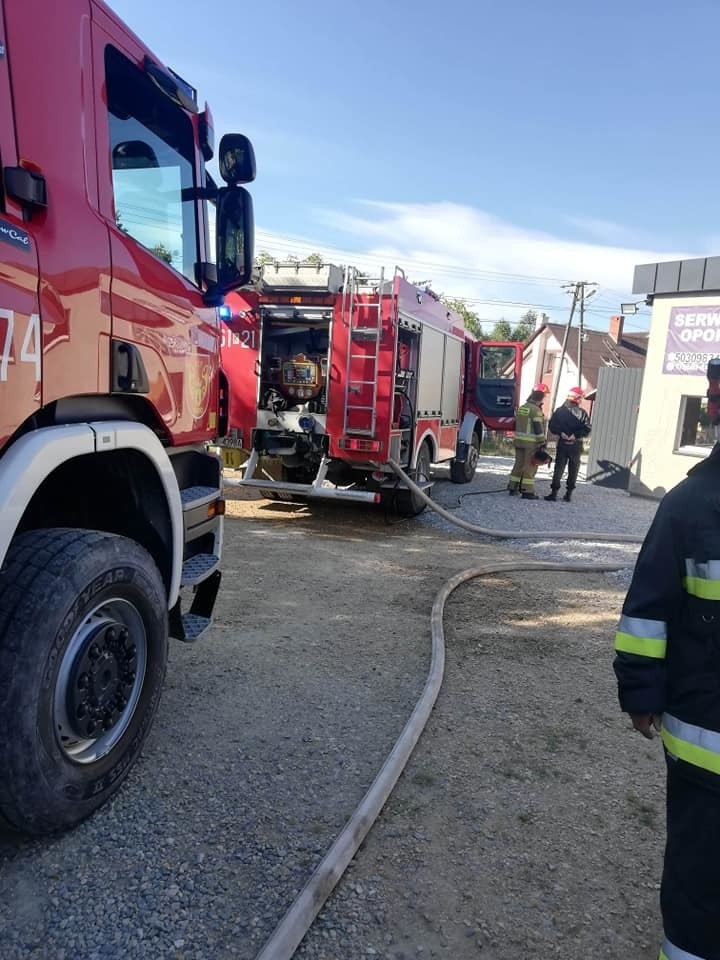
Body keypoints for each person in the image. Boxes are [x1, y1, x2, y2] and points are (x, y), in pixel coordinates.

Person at [613, 360, 720, 960]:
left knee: (700, 883)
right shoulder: (686, 505)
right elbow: (647, 616)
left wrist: (641, 697)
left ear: (711, 411)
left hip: (705, 751)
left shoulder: (687, 505)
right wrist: (640, 690)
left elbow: (646, 611)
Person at [544, 386, 591, 502]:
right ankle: (568, 494)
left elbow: (552, 426)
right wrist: (575, 435)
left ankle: (553, 493)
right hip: (576, 445)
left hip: (563, 443)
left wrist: (561, 433)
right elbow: (587, 429)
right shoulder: (582, 413)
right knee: (573, 469)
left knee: (559, 468)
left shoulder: (559, 411)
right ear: (578, 398)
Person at [507, 382, 549, 499]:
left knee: (518, 464)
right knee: (530, 466)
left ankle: (512, 487)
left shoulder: (522, 408)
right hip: (531, 443)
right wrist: (542, 441)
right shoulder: (536, 410)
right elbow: (537, 427)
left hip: (518, 441)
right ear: (540, 399)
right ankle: (527, 491)